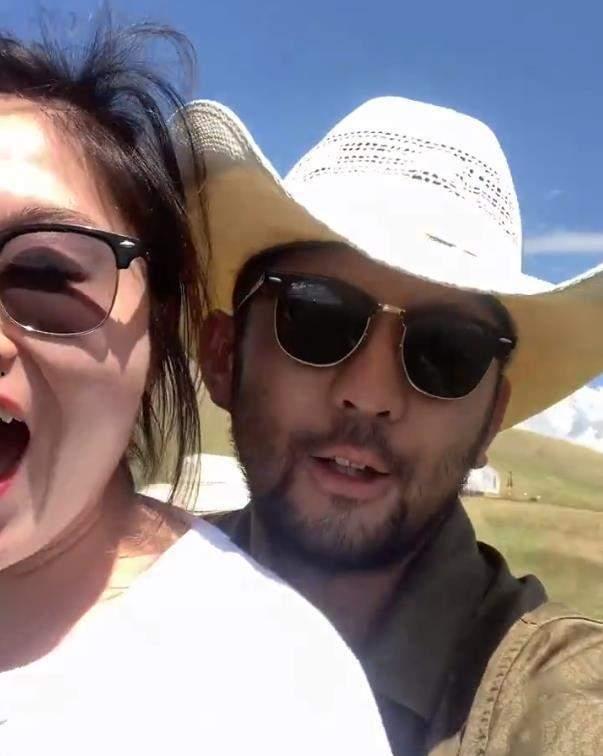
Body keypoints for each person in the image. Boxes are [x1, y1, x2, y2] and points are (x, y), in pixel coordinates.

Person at [0, 20, 394, 756]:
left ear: (160, 327)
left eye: (45, 274)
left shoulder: (276, 697)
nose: (370, 393)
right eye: (316, 322)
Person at [181, 96, 603, 755]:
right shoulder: (113, 599)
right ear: (223, 356)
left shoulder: (553, 695)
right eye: (316, 317)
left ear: (491, 418)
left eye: (446, 351)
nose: (369, 395)